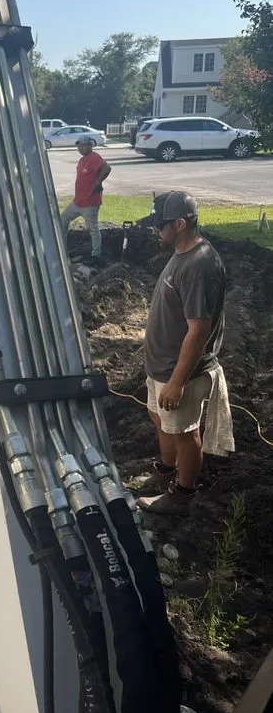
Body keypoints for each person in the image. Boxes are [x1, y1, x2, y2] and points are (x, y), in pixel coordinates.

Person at [138, 191, 234, 517]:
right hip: (161, 367)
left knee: (184, 432)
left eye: (160, 224)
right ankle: (166, 471)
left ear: (180, 223)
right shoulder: (182, 251)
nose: (155, 230)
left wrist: (178, 381)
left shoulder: (199, 266)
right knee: (162, 423)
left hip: (181, 373)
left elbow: (199, 331)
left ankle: (183, 493)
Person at [60, 136, 111, 261]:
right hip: (78, 201)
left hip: (90, 201)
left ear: (90, 145)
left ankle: (96, 255)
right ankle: (61, 249)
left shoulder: (94, 157)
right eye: (79, 146)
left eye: (83, 145)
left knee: (93, 228)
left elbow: (107, 168)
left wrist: (98, 183)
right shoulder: (82, 160)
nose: (80, 148)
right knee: (62, 220)